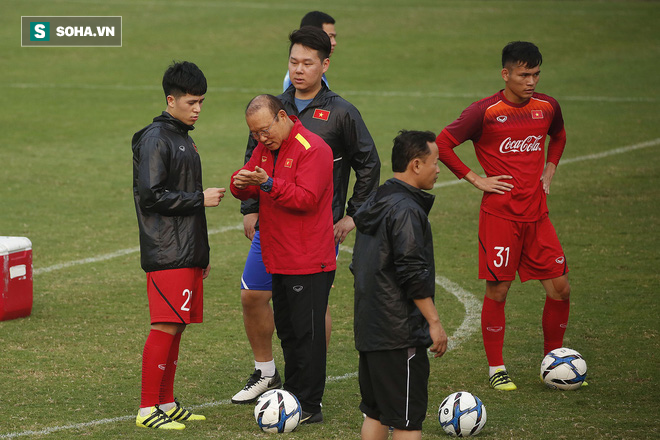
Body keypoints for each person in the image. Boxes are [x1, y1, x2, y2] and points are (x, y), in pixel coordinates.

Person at [231, 26, 380, 405]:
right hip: (274, 232)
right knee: (268, 307)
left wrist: (353, 216)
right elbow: (253, 162)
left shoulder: (340, 113)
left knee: (308, 318)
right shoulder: (270, 109)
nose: (299, 69)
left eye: (307, 63)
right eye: (293, 62)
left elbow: (367, 165)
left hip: (315, 233)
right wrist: (248, 204)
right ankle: (275, 378)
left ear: (324, 65)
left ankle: (307, 394)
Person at [435, 41, 571, 391]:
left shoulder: (547, 106)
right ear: (505, 74)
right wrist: (476, 179)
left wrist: (550, 169)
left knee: (560, 289)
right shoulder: (485, 112)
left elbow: (558, 135)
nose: (531, 81)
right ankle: (496, 367)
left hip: (538, 216)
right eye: (524, 74)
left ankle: (552, 362)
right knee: (498, 291)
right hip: (500, 217)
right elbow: (444, 143)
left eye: (536, 74)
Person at [230, 94, 336, 423]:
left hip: (308, 259)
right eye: (255, 135)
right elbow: (250, 180)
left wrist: (267, 183)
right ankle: (293, 393)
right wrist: (239, 184)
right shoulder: (266, 148)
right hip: (279, 256)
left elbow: (305, 199)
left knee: (308, 334)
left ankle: (310, 405)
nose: (261, 139)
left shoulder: (313, 148)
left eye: (264, 131)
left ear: (281, 116)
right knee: (289, 331)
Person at [132, 61, 225, 429]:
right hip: (166, 250)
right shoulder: (157, 138)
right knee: (165, 326)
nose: (197, 108)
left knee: (178, 326)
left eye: (201, 101)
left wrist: (200, 253)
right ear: (171, 100)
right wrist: (199, 199)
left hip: (185, 250)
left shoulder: (183, 136)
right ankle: (145, 410)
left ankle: (166, 403)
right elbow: (151, 195)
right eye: (191, 102)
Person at [352, 130, 448, 440]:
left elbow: (359, 266)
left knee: (377, 413)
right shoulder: (406, 209)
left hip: (370, 327)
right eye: (435, 162)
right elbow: (410, 271)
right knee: (407, 421)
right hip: (398, 332)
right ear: (416, 165)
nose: (439, 169)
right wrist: (434, 322)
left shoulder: (376, 200)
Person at [282, 11, 336, 91]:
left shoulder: (317, 73)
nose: (334, 42)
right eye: (329, 37)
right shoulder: (298, 81)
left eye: (307, 64)